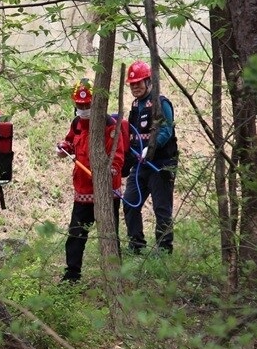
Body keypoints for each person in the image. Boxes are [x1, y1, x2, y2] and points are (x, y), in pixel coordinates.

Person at [56, 79, 128, 282]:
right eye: (80, 106)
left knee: (109, 235)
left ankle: (114, 275)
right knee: (76, 234)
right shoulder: (76, 123)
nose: (83, 109)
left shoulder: (109, 126)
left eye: (87, 105)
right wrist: (64, 147)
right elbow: (70, 141)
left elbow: (118, 157)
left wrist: (107, 174)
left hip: (106, 192)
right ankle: (72, 275)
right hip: (82, 190)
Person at [121, 60, 179, 254]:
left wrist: (151, 148)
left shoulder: (161, 103)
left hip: (161, 164)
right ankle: (136, 246)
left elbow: (166, 129)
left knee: (162, 209)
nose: (135, 87)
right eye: (132, 84)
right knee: (129, 202)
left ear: (148, 81)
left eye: (139, 83)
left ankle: (164, 250)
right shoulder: (135, 105)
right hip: (140, 164)